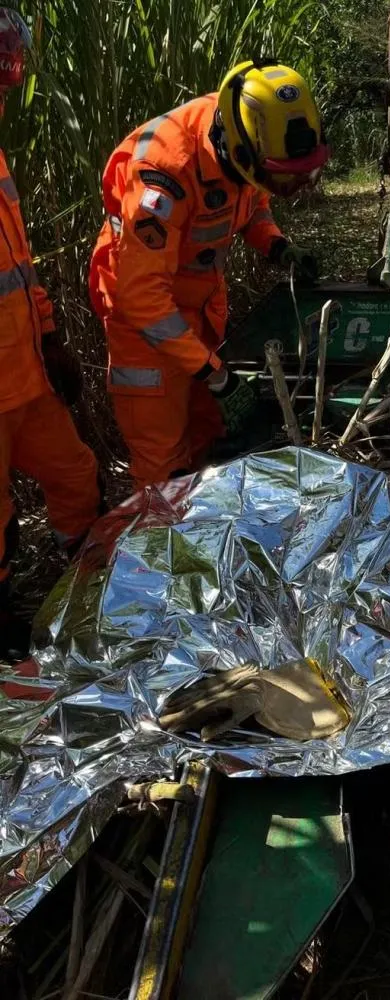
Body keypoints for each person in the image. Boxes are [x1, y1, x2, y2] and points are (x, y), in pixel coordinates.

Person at [90, 61, 329, 491]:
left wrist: (276, 245)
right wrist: (215, 374)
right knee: (164, 468)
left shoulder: (248, 133)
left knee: (206, 440)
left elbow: (252, 204)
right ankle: (148, 549)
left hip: (200, 317)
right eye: (287, 177)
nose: (296, 186)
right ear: (242, 152)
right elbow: (142, 297)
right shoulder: (164, 175)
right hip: (145, 331)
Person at [0, 7, 101, 658]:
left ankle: (94, 592)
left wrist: (53, 336)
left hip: (26, 374)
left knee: (76, 474)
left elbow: (18, 262)